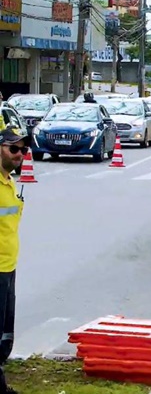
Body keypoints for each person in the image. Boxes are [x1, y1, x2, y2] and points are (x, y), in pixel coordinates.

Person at [0, 127, 30, 394]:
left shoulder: (9, 182)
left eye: (23, 149)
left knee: (3, 330)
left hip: (8, 266)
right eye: (13, 148)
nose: (19, 154)